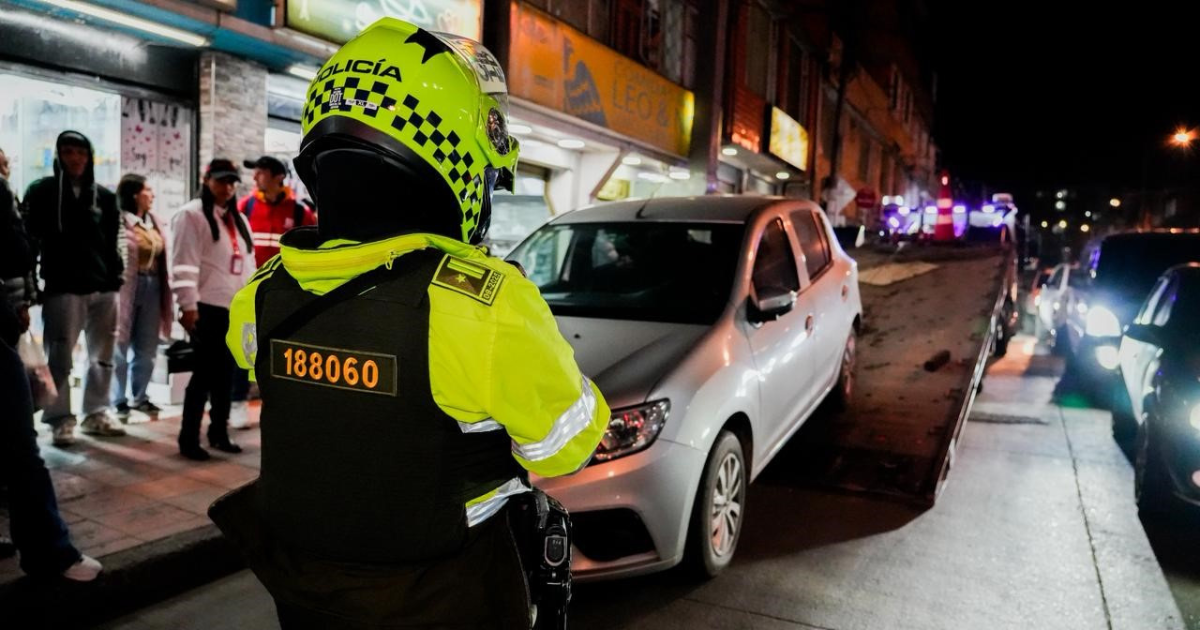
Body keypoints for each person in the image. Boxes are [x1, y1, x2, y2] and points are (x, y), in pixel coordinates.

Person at [211, 18, 608, 629]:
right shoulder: (486, 304)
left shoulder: (264, 294)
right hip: (445, 599)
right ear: (451, 163)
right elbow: (565, 446)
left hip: (303, 591)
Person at [0, 146, 102, 582]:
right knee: (20, 448)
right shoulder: (31, 193)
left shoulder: (98, 195)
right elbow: (14, 250)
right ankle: (49, 553)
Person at [23, 131, 126, 446]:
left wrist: (116, 277)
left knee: (103, 356)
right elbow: (29, 240)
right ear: (59, 156)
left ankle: (96, 412)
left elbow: (114, 241)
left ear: (89, 156)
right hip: (62, 287)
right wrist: (32, 284)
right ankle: (60, 419)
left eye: (81, 152)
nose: (75, 158)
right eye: (68, 152)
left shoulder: (105, 198)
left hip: (104, 288)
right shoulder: (42, 192)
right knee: (61, 356)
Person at [170, 159, 255, 461]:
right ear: (207, 180)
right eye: (221, 181)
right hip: (206, 308)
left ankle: (219, 432)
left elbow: (248, 264)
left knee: (226, 376)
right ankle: (188, 438)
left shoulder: (238, 219)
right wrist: (187, 305)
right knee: (203, 377)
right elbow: (183, 264)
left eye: (232, 182)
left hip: (234, 308)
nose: (228, 187)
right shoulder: (190, 215)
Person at [228, 156, 316, 429]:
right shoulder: (245, 206)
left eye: (261, 172)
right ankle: (238, 403)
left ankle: (281, 405)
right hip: (251, 292)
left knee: (282, 352)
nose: (255, 178)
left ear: (278, 176)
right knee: (246, 348)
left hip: (286, 296)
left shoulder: (300, 212)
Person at [112, 174, 173, 422]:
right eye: (148, 190)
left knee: (147, 348)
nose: (152, 195)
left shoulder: (155, 222)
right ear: (135, 194)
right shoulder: (120, 221)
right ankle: (117, 400)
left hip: (154, 285)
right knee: (119, 345)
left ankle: (140, 395)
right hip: (127, 286)